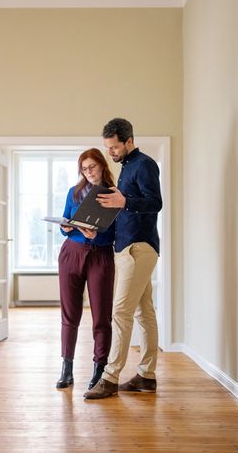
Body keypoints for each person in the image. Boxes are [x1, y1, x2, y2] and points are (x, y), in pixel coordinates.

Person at [84, 117, 162, 400]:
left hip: (138, 249)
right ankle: (146, 376)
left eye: (115, 147)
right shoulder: (127, 169)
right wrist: (96, 229)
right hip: (128, 248)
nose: (111, 153)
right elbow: (125, 214)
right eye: (108, 148)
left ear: (129, 141)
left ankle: (110, 377)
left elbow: (156, 203)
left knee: (120, 312)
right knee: (144, 312)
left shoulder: (144, 165)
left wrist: (124, 201)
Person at [55, 148, 117, 390]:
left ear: (102, 165)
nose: (88, 172)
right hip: (72, 253)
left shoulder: (114, 194)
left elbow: (117, 231)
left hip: (100, 255)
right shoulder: (75, 192)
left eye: (91, 166)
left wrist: (98, 231)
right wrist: (67, 228)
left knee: (102, 317)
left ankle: (99, 369)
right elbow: (64, 222)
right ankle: (66, 369)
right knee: (69, 314)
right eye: (83, 168)